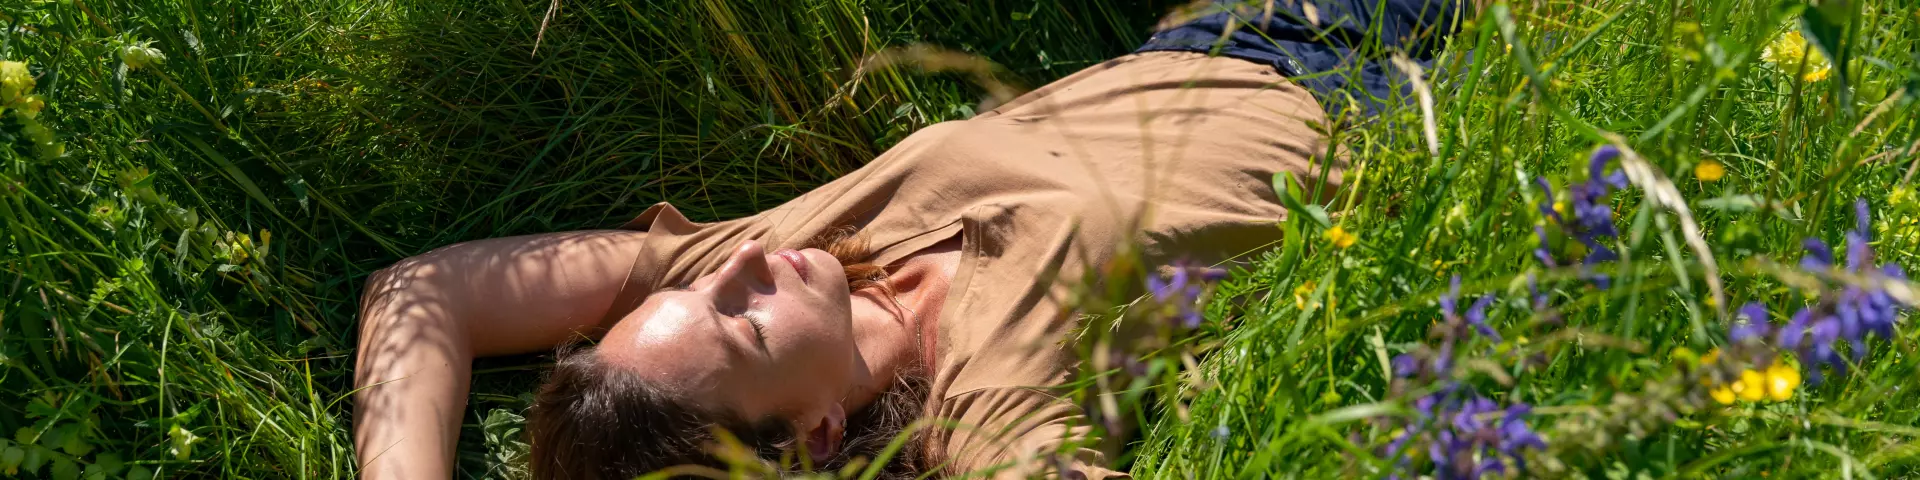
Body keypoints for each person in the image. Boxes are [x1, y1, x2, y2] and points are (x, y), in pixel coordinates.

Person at [351, 1, 1462, 478]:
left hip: (1195, 32)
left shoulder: (781, 259)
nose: (736, 266)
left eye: (695, 288)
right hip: (1371, 76)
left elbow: (419, 292)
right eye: (741, 327)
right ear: (820, 432)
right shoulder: (990, 398)